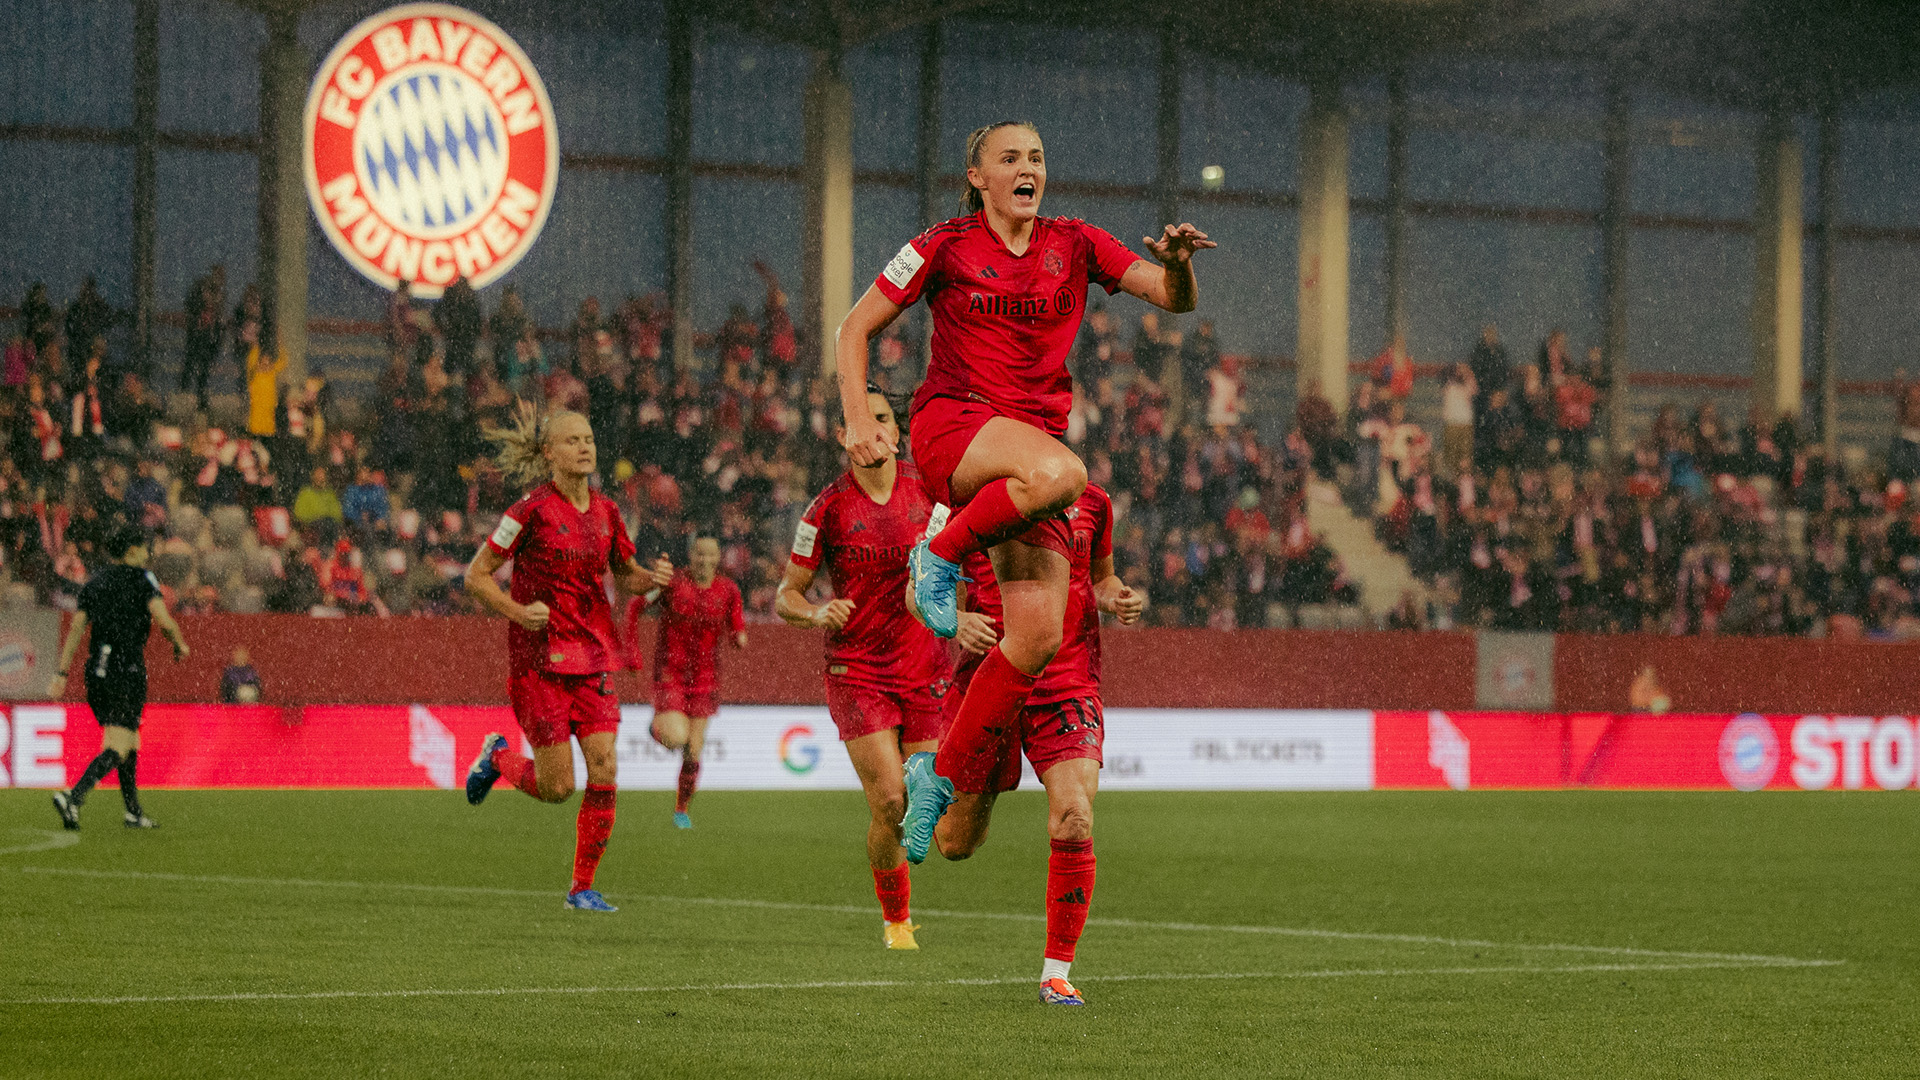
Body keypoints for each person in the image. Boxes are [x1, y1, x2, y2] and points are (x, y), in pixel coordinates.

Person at [833, 120, 1211, 861]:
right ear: (977, 176)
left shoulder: (1075, 243)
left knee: (1035, 637)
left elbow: (1172, 298)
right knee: (1068, 472)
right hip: (955, 429)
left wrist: (1181, 265)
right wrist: (857, 420)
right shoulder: (943, 245)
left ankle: (938, 780)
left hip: (1024, 455)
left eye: (1036, 156)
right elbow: (854, 329)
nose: (1026, 168)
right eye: (1009, 158)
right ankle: (937, 556)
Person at [933, 483, 1143, 1005]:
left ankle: (1056, 974)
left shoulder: (1092, 500)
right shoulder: (958, 501)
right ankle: (929, 774)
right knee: (956, 843)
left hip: (1066, 682)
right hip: (990, 679)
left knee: (1075, 814)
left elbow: (1101, 575)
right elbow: (925, 589)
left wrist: (1114, 593)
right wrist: (955, 620)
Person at [459, 405, 666, 912]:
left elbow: (626, 571)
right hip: (540, 663)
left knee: (605, 768)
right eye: (573, 440)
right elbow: (475, 574)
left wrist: (650, 580)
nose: (585, 447)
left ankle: (582, 889)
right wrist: (513, 609)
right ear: (550, 452)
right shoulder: (527, 511)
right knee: (557, 788)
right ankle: (497, 758)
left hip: (594, 658)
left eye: (589, 438)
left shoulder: (608, 512)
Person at [775, 387, 955, 951]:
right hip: (858, 671)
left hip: (928, 668)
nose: (871, 430)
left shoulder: (931, 492)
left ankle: (901, 902)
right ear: (843, 436)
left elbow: (968, 562)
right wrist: (815, 612)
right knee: (891, 801)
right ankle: (898, 922)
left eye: (881, 420)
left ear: (896, 432)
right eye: (859, 421)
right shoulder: (825, 509)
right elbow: (787, 595)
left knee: (934, 807)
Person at [48, 525, 190, 830]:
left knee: (130, 740)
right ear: (130, 551)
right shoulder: (143, 579)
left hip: (96, 671)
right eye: (142, 548)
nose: (147, 553)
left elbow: (76, 628)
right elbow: (164, 621)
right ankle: (73, 798)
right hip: (126, 670)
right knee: (119, 744)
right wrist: (179, 644)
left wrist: (61, 672)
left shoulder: (95, 581)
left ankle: (133, 812)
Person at [643, 535, 746, 829]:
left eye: (710, 555)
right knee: (677, 738)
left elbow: (736, 624)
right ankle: (656, 728)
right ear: (690, 555)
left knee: (694, 750)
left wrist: (739, 637)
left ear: (718, 558)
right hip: (671, 675)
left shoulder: (728, 590)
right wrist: (631, 650)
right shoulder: (672, 584)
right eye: (699, 554)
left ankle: (681, 810)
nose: (704, 560)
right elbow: (638, 603)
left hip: (706, 679)